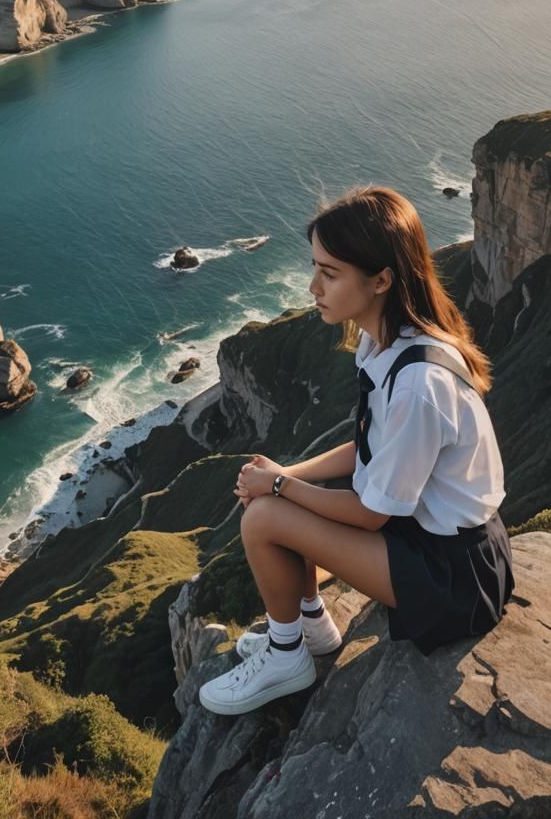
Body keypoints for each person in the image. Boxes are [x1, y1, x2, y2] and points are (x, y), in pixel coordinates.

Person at [198, 185, 515, 716]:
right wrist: (286, 472)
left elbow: (370, 514)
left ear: (381, 280)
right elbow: (364, 446)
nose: (313, 285)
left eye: (330, 272)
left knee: (264, 520)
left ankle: (285, 657)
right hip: (432, 542)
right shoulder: (387, 344)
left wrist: (278, 486)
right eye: (315, 267)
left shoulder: (417, 383)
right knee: (279, 503)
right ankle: (312, 629)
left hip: (453, 578)